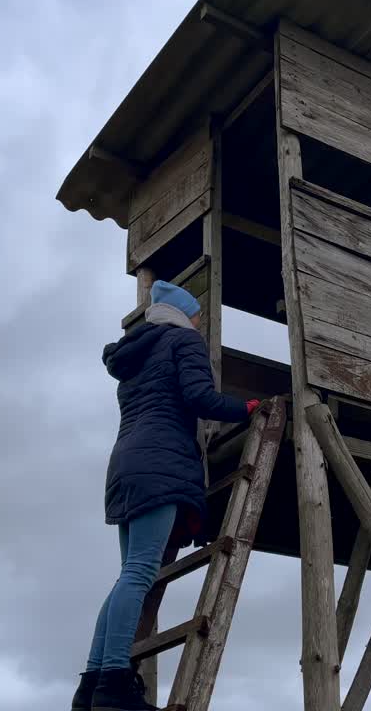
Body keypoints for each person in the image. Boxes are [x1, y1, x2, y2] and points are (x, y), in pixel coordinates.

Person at [72, 279, 259, 711]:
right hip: (161, 463)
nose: (200, 322)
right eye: (197, 315)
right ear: (184, 314)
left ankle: (93, 685)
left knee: (128, 576)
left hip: (124, 466)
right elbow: (199, 396)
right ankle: (115, 681)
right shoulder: (183, 340)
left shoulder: (133, 356)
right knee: (139, 574)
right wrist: (246, 408)